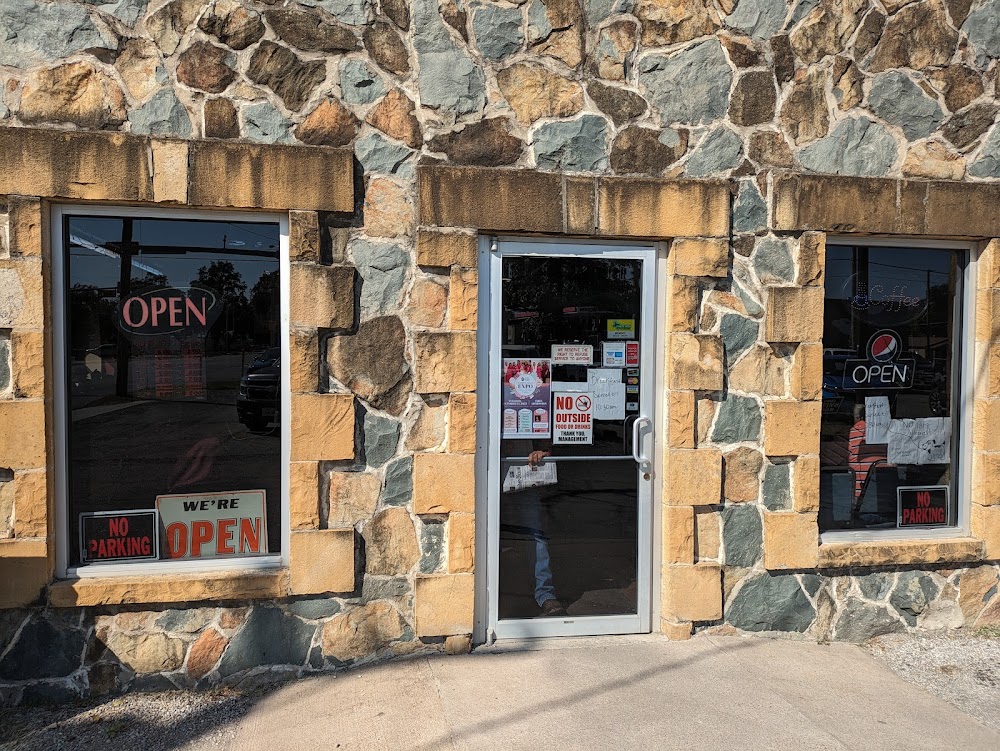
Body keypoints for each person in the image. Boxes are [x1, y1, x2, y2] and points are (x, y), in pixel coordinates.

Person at [501, 440, 566, 617]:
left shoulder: (527, 410)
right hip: (487, 471)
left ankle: (545, 594)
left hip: (523, 475)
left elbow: (545, 444)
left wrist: (541, 451)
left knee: (536, 534)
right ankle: (486, 595)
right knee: (483, 534)